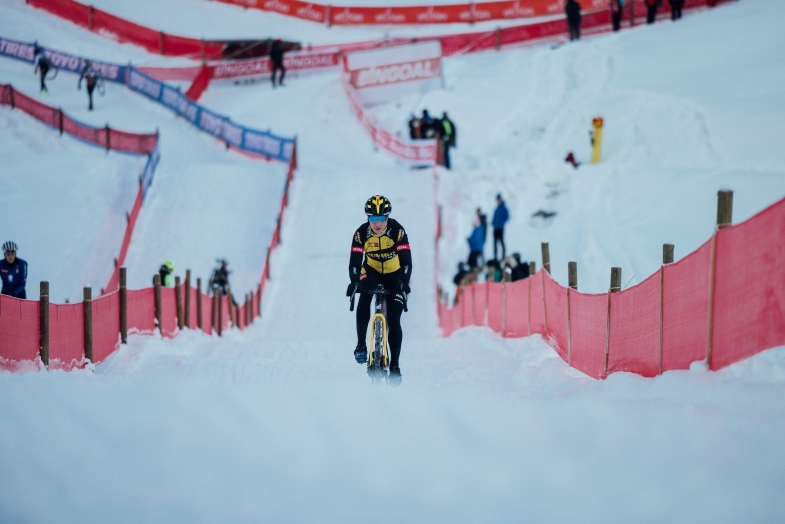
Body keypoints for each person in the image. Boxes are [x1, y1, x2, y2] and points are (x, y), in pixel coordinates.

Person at [347, 195, 411, 385]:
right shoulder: (361, 234)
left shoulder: (397, 231)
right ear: (368, 218)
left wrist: (405, 282)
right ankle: (360, 345)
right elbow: (355, 263)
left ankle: (395, 366)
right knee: (364, 295)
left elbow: (406, 260)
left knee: (394, 319)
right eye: (373, 219)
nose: (377, 224)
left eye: (381, 219)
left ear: (387, 217)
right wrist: (354, 281)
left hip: (395, 273)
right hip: (372, 271)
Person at [492, 194, 509, 261]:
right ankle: (495, 257)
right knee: (495, 243)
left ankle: (503, 256)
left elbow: (507, 217)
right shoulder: (496, 209)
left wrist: (501, 222)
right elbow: (494, 218)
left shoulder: (504, 208)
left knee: (501, 242)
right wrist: (493, 223)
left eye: (499, 200)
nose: (498, 201)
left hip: (500, 228)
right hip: (495, 228)